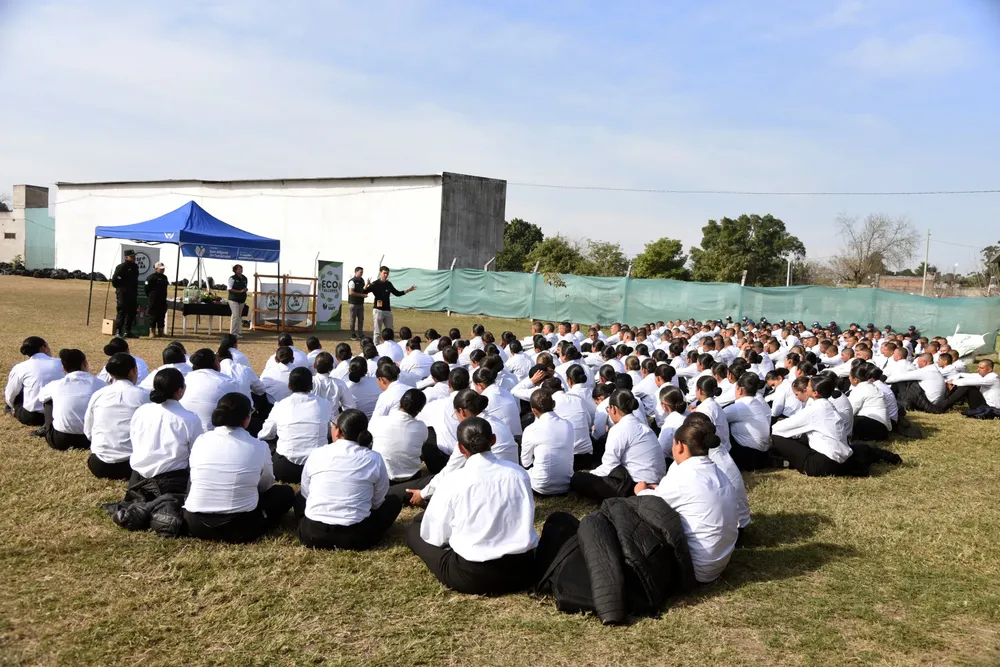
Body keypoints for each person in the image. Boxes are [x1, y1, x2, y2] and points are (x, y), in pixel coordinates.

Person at [405, 417, 538, 596]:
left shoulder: (453, 480)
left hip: (474, 576)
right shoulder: (519, 474)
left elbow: (436, 538)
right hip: (523, 570)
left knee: (414, 532)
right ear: (493, 440)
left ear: (460, 448)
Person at [634, 415, 739, 584]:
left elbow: (654, 504)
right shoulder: (718, 473)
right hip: (718, 563)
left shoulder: (684, 474)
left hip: (695, 570)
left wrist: (641, 491)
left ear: (680, 446)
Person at [183, 392, 295, 543]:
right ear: (246, 419)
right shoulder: (258, 446)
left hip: (195, 522)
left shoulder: (201, 440)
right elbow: (266, 485)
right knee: (285, 493)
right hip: (239, 525)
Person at [297, 409, 403, 550]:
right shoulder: (374, 458)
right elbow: (377, 501)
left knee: (298, 497)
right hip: (356, 536)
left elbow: (306, 492)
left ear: (338, 431)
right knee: (393, 501)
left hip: (312, 534)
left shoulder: (317, 453)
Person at [570, 389, 665, 502]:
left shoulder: (619, 429)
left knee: (578, 479)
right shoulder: (644, 427)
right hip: (656, 482)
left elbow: (609, 467)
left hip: (635, 487)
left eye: (608, 409)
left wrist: (590, 473)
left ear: (613, 409)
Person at [128, 368, 203, 489]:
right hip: (171, 483)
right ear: (180, 391)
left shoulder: (141, 411)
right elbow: (197, 454)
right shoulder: (189, 419)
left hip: (136, 480)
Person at [259, 367, 332, 483]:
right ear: (311, 386)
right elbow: (330, 432)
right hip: (318, 467)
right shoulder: (324, 404)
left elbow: (266, 434)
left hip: (285, 468)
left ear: (289, 386)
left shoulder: (280, 405)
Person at [771, 375, 855, 476]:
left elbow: (778, 428)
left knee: (777, 436)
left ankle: (787, 462)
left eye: (809, 386)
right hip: (839, 461)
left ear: (815, 393)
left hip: (821, 465)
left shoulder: (815, 409)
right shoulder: (828, 405)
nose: (806, 388)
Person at [84, 353, 150, 480]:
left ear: (111, 374)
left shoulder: (99, 394)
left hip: (99, 465)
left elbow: (88, 430)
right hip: (133, 466)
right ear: (134, 370)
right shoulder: (144, 396)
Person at [38, 349, 104, 450]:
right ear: (85, 363)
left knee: (48, 399)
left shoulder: (56, 385)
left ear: (63, 368)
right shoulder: (101, 384)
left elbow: (41, 397)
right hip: (92, 439)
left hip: (60, 440)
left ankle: (46, 427)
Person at [520, 389, 575, 496]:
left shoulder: (531, 429)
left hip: (540, 487)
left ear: (534, 411)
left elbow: (525, 462)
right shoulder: (568, 424)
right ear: (553, 404)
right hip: (566, 484)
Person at [368, 389, 429, 484]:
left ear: (400, 400)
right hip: (413, 478)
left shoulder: (377, 421)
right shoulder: (422, 427)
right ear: (420, 410)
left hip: (384, 478)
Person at [5, 336, 64, 427]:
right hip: (60, 414)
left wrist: (11, 406)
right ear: (43, 348)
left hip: (33, 416)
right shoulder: (61, 363)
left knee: (18, 390)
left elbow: (10, 393)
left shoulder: (20, 367)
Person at [180, 349, 241, 432]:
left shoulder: (184, 380)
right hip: (216, 436)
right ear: (215, 362)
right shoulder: (228, 382)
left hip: (185, 433)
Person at [724, 373, 773, 471]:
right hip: (762, 454)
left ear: (740, 389)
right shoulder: (758, 402)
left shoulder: (740, 406)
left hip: (748, 456)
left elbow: (717, 417)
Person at [364, 266, 416, 344]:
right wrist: (366, 285)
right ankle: (376, 347)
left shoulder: (389, 284)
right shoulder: (375, 284)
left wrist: (408, 290)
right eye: (384, 273)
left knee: (390, 330)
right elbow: (364, 292)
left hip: (387, 311)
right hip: (378, 310)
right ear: (380, 273)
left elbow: (397, 293)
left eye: (387, 273)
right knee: (377, 331)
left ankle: (391, 346)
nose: (386, 275)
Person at [847, 363, 891, 441]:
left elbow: (850, 410)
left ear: (855, 379)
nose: (848, 379)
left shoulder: (861, 389)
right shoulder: (871, 386)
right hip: (882, 428)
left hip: (873, 426)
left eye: (850, 377)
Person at [312, 352, 355, 418]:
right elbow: (350, 407)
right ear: (332, 367)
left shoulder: (309, 382)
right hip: (333, 424)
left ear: (314, 365)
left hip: (313, 422)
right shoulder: (339, 384)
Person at [111, 249, 140, 338]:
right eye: (131, 256)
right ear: (126, 257)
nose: (134, 258)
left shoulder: (135, 267)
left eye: (134, 256)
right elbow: (114, 280)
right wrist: (122, 288)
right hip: (123, 293)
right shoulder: (121, 267)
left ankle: (128, 331)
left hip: (132, 293)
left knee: (131, 312)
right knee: (121, 312)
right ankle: (118, 331)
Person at [144, 261, 170, 338]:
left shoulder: (165, 277)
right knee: (152, 315)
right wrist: (151, 296)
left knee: (161, 315)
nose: (163, 270)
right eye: (161, 269)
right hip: (153, 299)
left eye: (163, 269)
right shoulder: (151, 277)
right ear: (156, 268)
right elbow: (146, 288)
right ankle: (152, 332)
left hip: (162, 299)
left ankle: (161, 332)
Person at [226, 264, 249, 338]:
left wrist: (245, 290)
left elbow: (244, 287)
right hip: (233, 299)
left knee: (239, 316)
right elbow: (229, 289)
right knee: (235, 316)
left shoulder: (245, 278)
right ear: (235, 270)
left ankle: (239, 332)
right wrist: (240, 291)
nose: (240, 270)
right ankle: (233, 333)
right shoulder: (232, 278)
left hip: (241, 300)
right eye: (239, 269)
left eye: (241, 269)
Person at [347, 266, 367, 340]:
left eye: (362, 272)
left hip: (361, 303)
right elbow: (351, 292)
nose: (362, 273)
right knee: (353, 319)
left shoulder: (362, 280)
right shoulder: (352, 281)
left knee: (361, 319)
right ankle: (353, 334)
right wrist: (362, 295)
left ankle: (360, 334)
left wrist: (367, 285)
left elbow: (362, 289)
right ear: (356, 272)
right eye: (360, 272)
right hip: (353, 303)